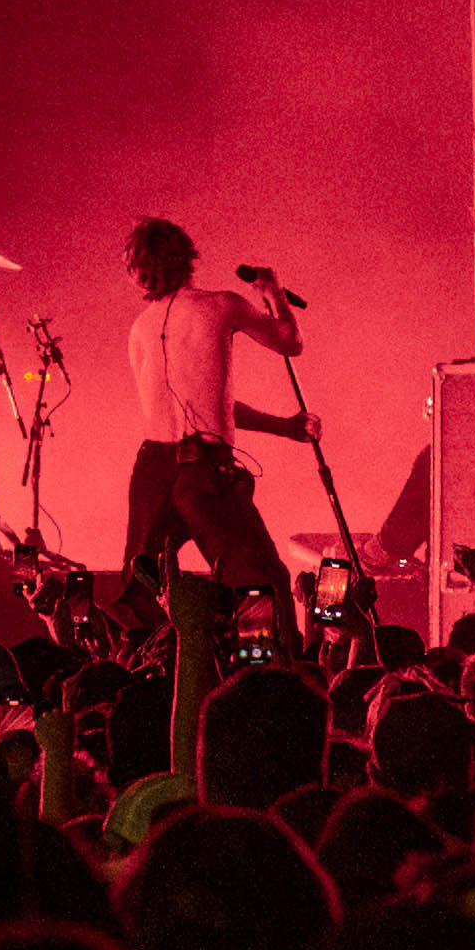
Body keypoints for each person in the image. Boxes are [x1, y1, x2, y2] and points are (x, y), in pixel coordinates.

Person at [117, 220, 298, 647]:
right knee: (261, 584)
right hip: (204, 469)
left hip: (153, 469)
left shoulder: (140, 329)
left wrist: (284, 428)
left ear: (137, 271)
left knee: (140, 583)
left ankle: (149, 668)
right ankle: (266, 674)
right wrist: (273, 292)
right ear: (186, 257)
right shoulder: (222, 305)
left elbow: (197, 407)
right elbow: (290, 342)